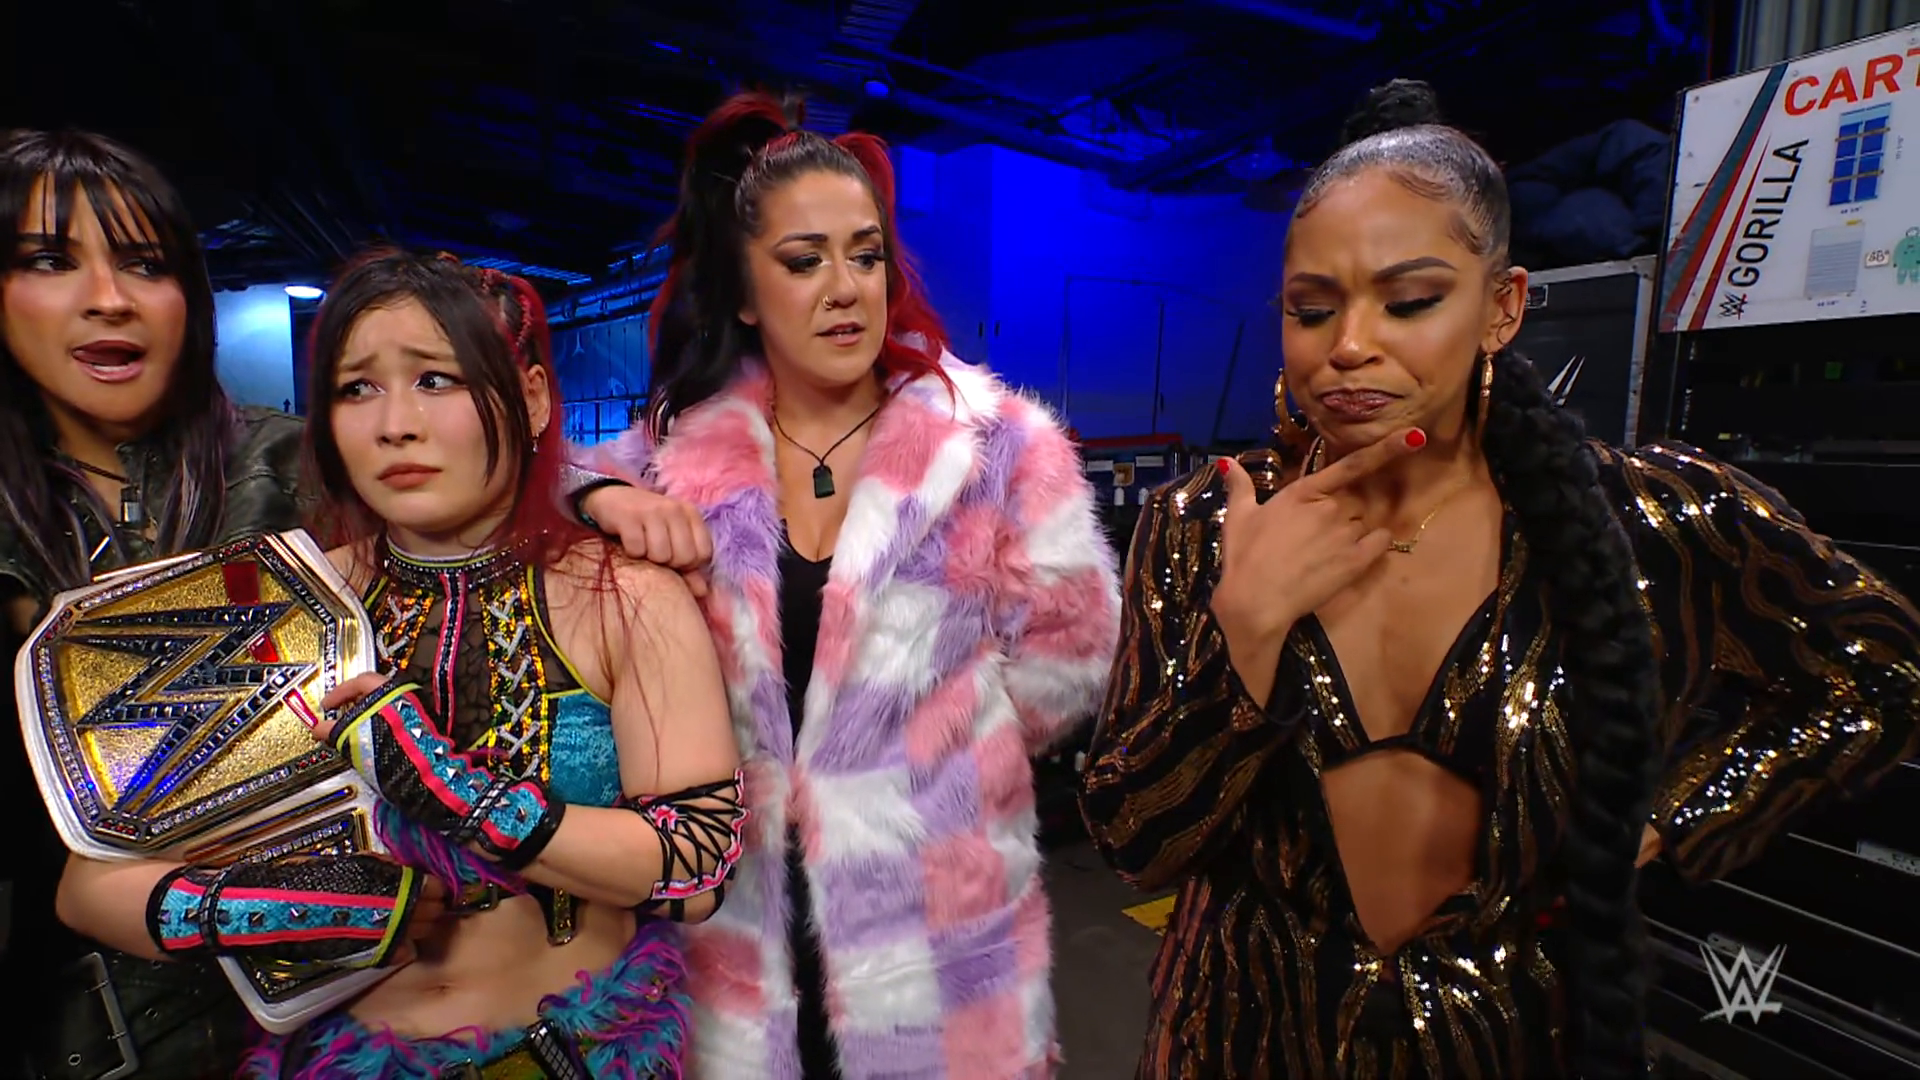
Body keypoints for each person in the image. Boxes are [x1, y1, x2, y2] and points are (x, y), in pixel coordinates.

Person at [1078, 79, 1920, 1080]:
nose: (1349, 346)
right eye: (1312, 309)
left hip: (1511, 1040)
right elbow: (1133, 841)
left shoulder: (1645, 519)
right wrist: (1247, 634)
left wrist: (1665, 820)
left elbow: (1880, 672)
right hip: (1238, 1036)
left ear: (1502, 308)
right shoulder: (1204, 522)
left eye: (1411, 301)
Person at [0, 127, 648, 1079]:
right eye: (50, 261)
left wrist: (595, 495)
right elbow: (80, 881)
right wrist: (265, 906)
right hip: (75, 1022)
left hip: (323, 1021)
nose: (108, 298)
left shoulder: (289, 461)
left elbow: (461, 484)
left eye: (145, 263)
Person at [577, 92, 1122, 1079]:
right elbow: (544, 487)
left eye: (865, 257)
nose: (845, 289)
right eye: (804, 262)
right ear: (745, 294)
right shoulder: (669, 460)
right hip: (734, 939)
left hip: (940, 942)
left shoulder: (995, 449)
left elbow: (1071, 662)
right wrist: (598, 500)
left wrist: (933, 760)